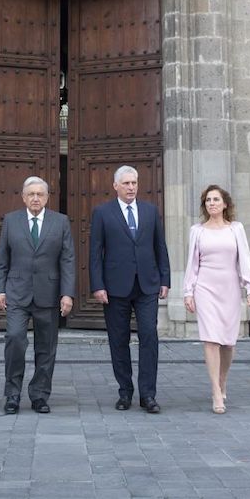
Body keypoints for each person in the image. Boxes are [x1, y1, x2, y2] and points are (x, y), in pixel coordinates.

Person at [89, 165, 170, 414]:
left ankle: (148, 395)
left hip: (147, 285)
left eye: (134, 183)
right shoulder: (102, 213)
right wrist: (98, 285)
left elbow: (160, 247)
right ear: (115, 186)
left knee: (149, 336)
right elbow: (95, 252)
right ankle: (125, 392)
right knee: (118, 340)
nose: (131, 187)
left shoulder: (150, 211)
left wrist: (165, 279)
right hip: (115, 287)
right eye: (126, 183)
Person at [0, 177, 75, 415]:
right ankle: (12, 394)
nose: (36, 198)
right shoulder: (11, 220)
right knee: (15, 339)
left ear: (48, 197)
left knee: (46, 348)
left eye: (40, 194)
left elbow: (67, 260)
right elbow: (2, 259)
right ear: (23, 197)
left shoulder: (60, 222)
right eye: (31, 194)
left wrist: (67, 294)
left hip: (48, 294)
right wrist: (0, 289)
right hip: (17, 293)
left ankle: (40, 394)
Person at [183, 185, 250, 414]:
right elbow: (192, 263)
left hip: (230, 288)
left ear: (225, 204)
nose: (212, 203)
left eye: (216, 199)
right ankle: (216, 390)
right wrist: (188, 291)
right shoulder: (197, 230)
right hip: (205, 287)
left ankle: (223, 380)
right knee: (211, 340)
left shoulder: (236, 229)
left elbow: (244, 257)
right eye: (208, 200)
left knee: (228, 342)